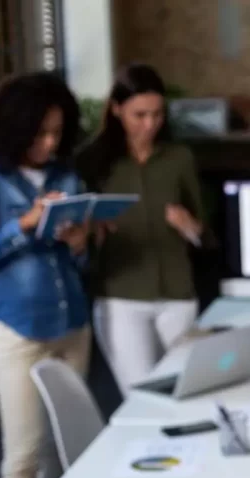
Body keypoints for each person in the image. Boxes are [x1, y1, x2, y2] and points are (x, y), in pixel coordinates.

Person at [76, 64, 210, 393]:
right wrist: (93, 231)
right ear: (117, 109)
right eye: (140, 115)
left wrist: (190, 226)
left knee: (189, 390)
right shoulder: (92, 162)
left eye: (157, 114)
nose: (150, 124)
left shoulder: (179, 158)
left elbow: (205, 230)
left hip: (178, 294)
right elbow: (76, 236)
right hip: (121, 298)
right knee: (141, 395)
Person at [0, 72, 91, 478]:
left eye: (57, 130)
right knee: (23, 456)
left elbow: (80, 263)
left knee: (66, 448)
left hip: (73, 324)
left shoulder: (66, 176)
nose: (50, 142)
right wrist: (25, 225)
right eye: (41, 132)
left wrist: (79, 243)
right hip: (18, 330)